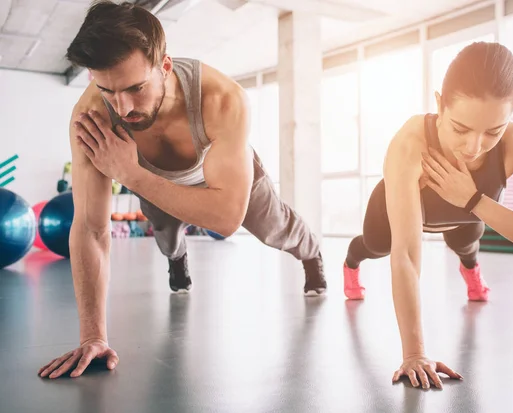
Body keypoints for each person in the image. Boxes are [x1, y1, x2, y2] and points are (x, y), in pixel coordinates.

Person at [38, 0, 326, 380]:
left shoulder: (223, 99)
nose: (123, 108)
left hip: (222, 176)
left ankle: (312, 254)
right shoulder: (90, 117)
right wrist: (93, 335)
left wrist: (130, 174)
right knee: (166, 235)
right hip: (151, 177)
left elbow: (225, 220)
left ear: (165, 66)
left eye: (136, 88)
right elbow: (91, 228)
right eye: (107, 90)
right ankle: (177, 259)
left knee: (273, 227)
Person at [342, 41, 513, 390]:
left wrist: (472, 198)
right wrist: (414, 353)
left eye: (494, 131)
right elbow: (406, 254)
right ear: (439, 105)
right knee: (376, 245)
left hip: (467, 211)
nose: (474, 147)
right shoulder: (411, 140)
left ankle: (471, 270)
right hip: (397, 215)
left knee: (467, 241)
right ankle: (351, 263)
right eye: (461, 129)